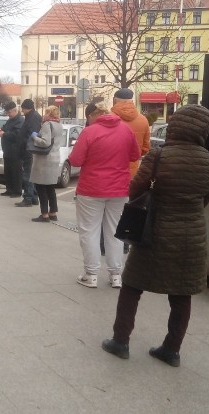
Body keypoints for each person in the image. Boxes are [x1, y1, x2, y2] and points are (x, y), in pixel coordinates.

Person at [101, 105, 209, 367]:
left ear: (175, 126)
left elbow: (136, 190)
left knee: (132, 287)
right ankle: (171, 350)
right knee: (181, 294)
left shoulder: (159, 156)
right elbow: (205, 199)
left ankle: (120, 341)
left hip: (153, 233)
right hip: (191, 238)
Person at [68, 101, 140, 289]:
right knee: (115, 231)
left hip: (91, 189)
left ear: (93, 115)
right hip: (119, 189)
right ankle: (116, 275)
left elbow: (75, 160)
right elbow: (135, 155)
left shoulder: (90, 132)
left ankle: (91, 275)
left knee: (89, 230)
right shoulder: (126, 130)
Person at [29, 105, 63, 222]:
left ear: (49, 113)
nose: (44, 114)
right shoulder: (59, 125)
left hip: (44, 160)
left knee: (41, 187)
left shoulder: (47, 124)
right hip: (54, 158)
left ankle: (44, 214)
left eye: (46, 112)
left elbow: (45, 142)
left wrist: (34, 137)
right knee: (50, 188)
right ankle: (53, 213)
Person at [111, 88, 150, 177]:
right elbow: (145, 148)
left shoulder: (108, 118)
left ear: (115, 100)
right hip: (132, 172)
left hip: (112, 172)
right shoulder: (143, 120)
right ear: (131, 100)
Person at [16, 99, 43, 207]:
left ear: (27, 108)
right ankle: (34, 197)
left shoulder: (33, 118)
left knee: (28, 175)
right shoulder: (31, 116)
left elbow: (32, 134)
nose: (22, 111)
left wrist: (24, 145)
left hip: (29, 150)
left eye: (23, 108)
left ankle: (28, 198)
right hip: (29, 150)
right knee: (31, 175)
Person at [0, 101, 25, 197]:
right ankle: (9, 189)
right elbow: (5, 128)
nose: (8, 114)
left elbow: (17, 134)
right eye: (7, 113)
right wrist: (0, 129)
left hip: (16, 151)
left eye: (9, 112)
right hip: (7, 150)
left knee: (16, 172)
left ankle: (17, 191)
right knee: (8, 171)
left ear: (15, 111)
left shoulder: (20, 120)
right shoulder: (10, 120)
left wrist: (4, 134)